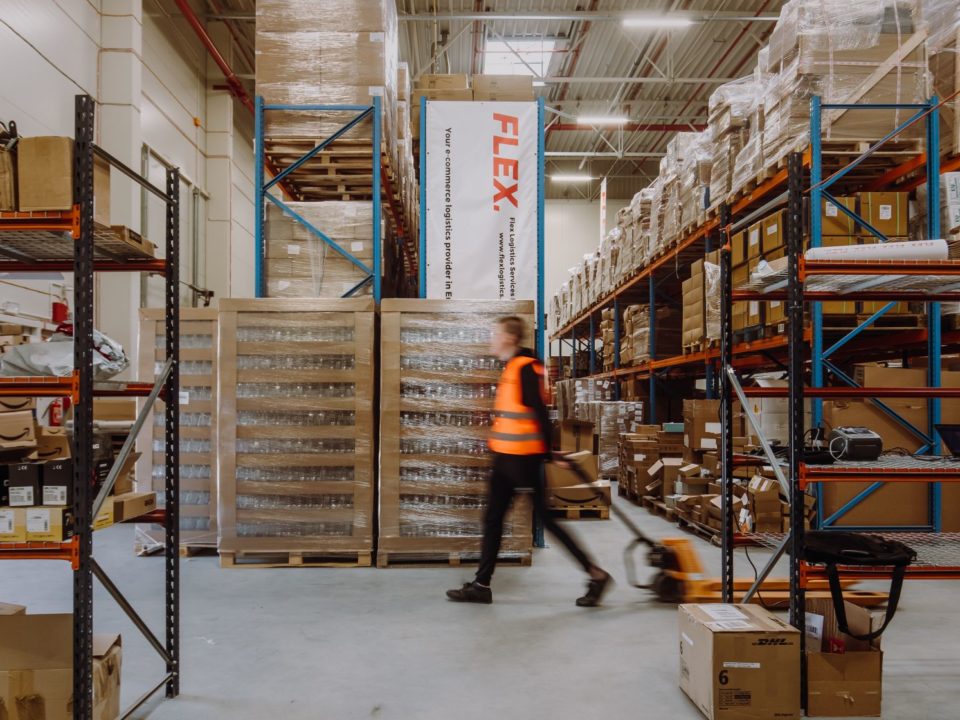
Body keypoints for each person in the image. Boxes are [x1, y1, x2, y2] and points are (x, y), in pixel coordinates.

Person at [446, 316, 612, 606]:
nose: (491, 340)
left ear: (509, 338)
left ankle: (596, 574)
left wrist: (548, 453)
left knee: (542, 521)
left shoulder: (525, 368)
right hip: (508, 458)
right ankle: (481, 585)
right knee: (494, 519)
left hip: (522, 460)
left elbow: (539, 411)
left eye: (495, 334)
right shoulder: (514, 367)